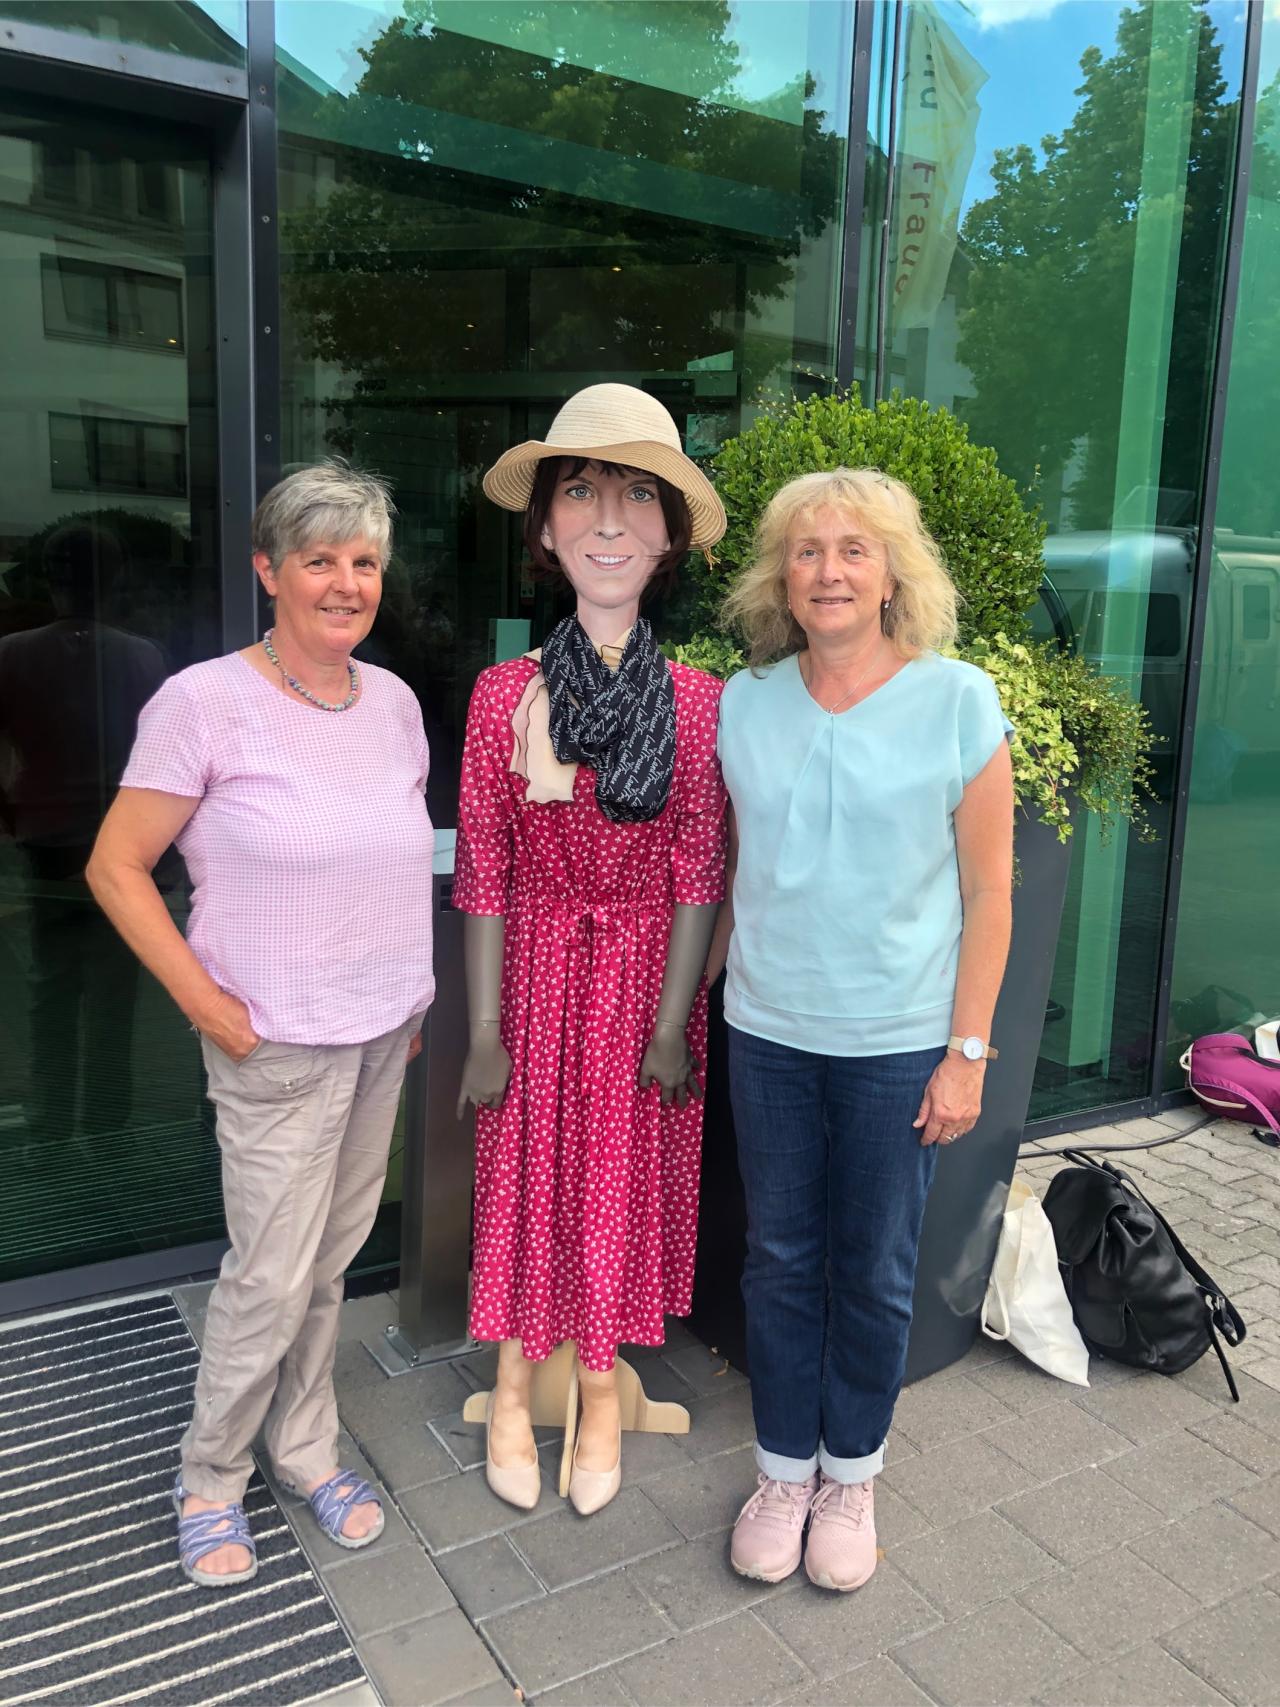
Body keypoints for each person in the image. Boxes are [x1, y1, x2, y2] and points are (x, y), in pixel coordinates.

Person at [87, 461, 435, 1586]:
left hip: (382, 1031)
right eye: (320, 559)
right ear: (268, 571)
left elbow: (394, 862)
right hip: (274, 1041)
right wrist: (206, 1006)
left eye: (364, 562)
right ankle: (208, 1477)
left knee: (328, 1266)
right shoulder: (202, 701)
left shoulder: (390, 703)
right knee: (268, 1277)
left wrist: (410, 999)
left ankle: (305, 1449)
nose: (345, 582)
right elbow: (116, 866)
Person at [710, 467, 1014, 1592]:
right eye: (805, 549)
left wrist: (966, 1051)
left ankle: (852, 1473)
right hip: (771, 1032)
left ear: (891, 573)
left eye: (853, 548)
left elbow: (990, 892)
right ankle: (783, 1468)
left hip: (897, 1045)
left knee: (876, 1268)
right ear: (778, 578)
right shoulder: (744, 703)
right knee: (779, 1259)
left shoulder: (955, 700)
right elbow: (732, 868)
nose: (827, 569)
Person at [455, 383, 728, 1515]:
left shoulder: (702, 702)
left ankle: (605, 1390)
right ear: (547, 530)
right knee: (522, 1176)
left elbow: (699, 874)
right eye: (581, 493)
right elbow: (484, 868)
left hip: (643, 988)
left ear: (666, 536)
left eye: (633, 497)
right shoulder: (501, 694)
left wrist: (672, 1022)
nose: (607, 520)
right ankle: (515, 1386)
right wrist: (478, 1027)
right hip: (528, 976)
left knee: (617, 1175)